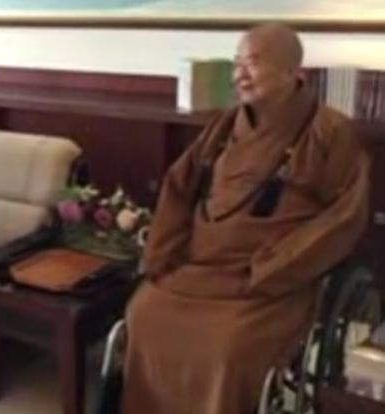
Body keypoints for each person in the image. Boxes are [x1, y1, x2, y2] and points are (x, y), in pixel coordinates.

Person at [121, 23, 370, 414]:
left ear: (291, 72)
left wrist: (271, 269)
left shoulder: (330, 131)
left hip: (268, 279)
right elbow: (179, 188)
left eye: (253, 63)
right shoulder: (225, 125)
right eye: (236, 63)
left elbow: (343, 216)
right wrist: (163, 252)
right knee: (144, 315)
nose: (239, 74)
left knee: (228, 347)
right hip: (199, 266)